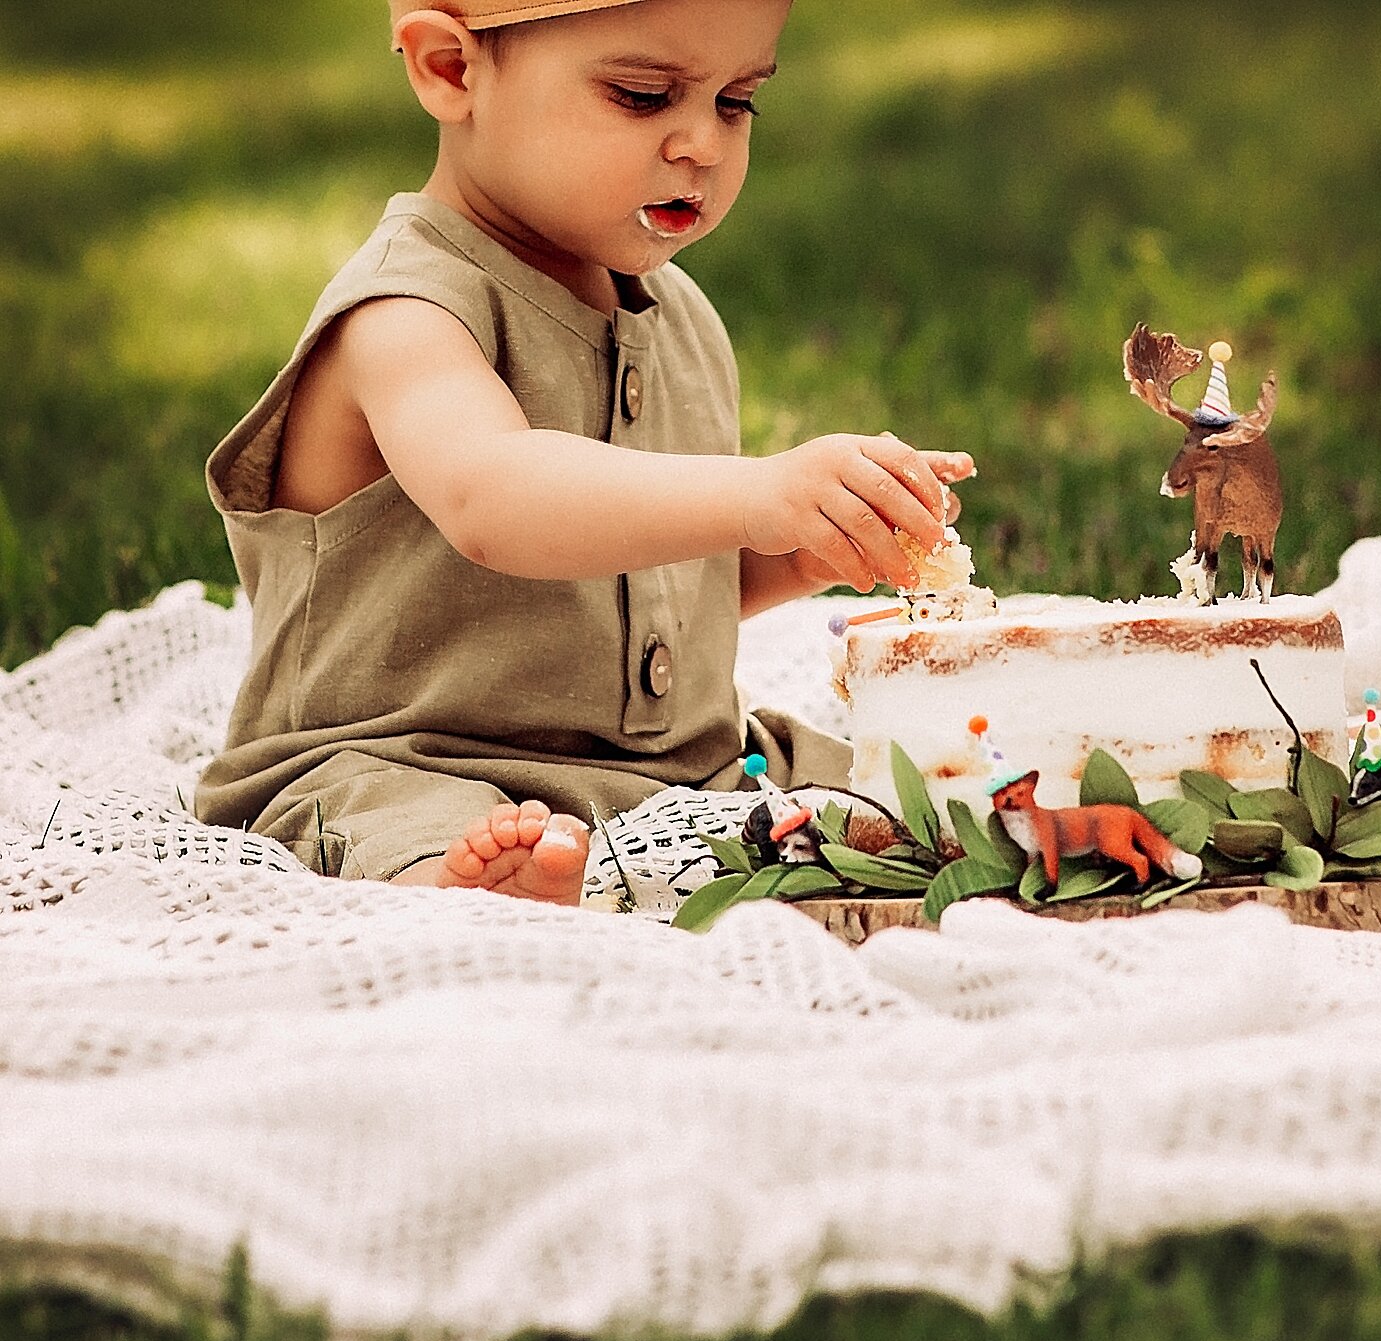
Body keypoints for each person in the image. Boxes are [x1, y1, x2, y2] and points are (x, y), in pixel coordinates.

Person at [194, 0, 972, 907]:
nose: (704, 146)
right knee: (388, 815)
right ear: (451, 70)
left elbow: (663, 578)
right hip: (404, 754)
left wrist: (796, 550)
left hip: (673, 767)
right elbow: (496, 500)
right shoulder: (407, 313)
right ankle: (479, 884)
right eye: (643, 95)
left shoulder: (682, 322)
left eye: (736, 102)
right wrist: (761, 491)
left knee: (907, 790)